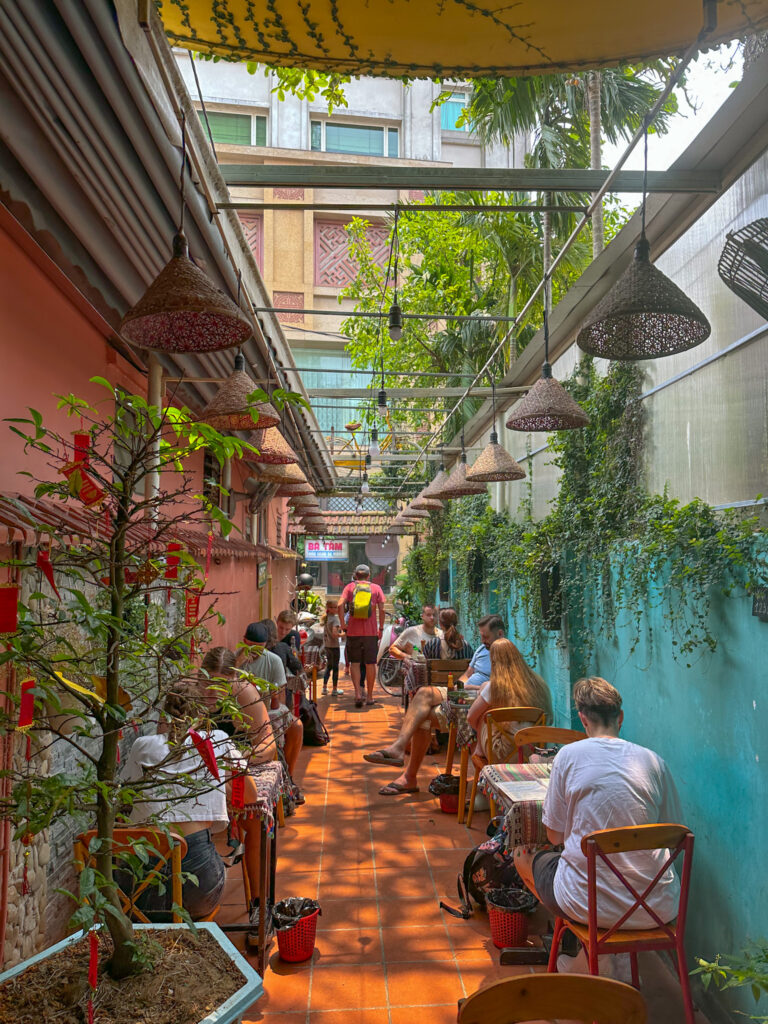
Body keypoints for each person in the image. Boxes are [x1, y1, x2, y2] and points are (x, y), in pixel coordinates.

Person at [514, 676, 683, 934]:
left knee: (522, 856)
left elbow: (554, 836)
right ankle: (598, 954)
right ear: (621, 717)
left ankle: (578, 948)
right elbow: (674, 833)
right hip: (657, 908)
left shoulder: (568, 757)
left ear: (583, 719)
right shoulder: (654, 761)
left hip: (587, 907)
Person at [120, 684, 240, 920]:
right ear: (201, 715)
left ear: (162, 716)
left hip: (137, 895)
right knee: (218, 866)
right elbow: (245, 790)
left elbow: (127, 793)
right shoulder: (216, 740)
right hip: (197, 890)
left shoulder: (142, 745)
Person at [363, 614, 506, 793]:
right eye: (482, 636)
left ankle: (409, 776)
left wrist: (469, 687)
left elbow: (497, 687)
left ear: (499, 633)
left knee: (422, 719)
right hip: (463, 691)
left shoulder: (505, 652)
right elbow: (467, 674)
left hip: (478, 697)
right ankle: (398, 748)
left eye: (486, 637)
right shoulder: (479, 649)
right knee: (423, 694)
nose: (483, 640)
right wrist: (456, 687)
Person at [197, 647, 278, 914]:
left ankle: (259, 901)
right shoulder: (189, 694)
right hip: (198, 772)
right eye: (207, 684)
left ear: (232, 680)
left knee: (251, 819)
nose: (211, 693)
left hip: (238, 766)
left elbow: (268, 746)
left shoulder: (244, 694)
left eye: (219, 686)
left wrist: (237, 759)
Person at [238, 623, 304, 803]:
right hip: (243, 712)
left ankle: (289, 776)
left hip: (269, 707)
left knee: (297, 726)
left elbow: (277, 699)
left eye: (259, 648)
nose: (255, 652)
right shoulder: (237, 662)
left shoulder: (273, 660)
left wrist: (270, 697)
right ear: (244, 642)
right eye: (251, 646)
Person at [466, 638, 552, 763]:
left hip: (501, 755)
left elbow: (470, 717)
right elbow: (549, 719)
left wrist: (483, 728)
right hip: (532, 751)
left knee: (482, 715)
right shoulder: (538, 683)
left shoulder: (495, 687)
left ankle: (479, 750)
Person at [339, 564, 386, 708]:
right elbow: (382, 609)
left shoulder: (350, 587)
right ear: (369, 575)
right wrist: (381, 628)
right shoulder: (376, 588)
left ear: (355, 575)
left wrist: (343, 624)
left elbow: (340, 604)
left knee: (355, 663)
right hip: (371, 633)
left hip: (353, 631)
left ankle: (358, 694)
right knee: (371, 663)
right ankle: (370, 696)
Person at [321, 597, 343, 696]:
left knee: (328, 667)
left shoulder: (326, 618)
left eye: (336, 607)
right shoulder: (335, 619)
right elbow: (335, 634)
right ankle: (334, 689)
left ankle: (324, 688)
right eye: (333, 607)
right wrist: (343, 634)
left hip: (327, 645)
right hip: (334, 646)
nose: (336, 609)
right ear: (328, 608)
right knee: (335, 668)